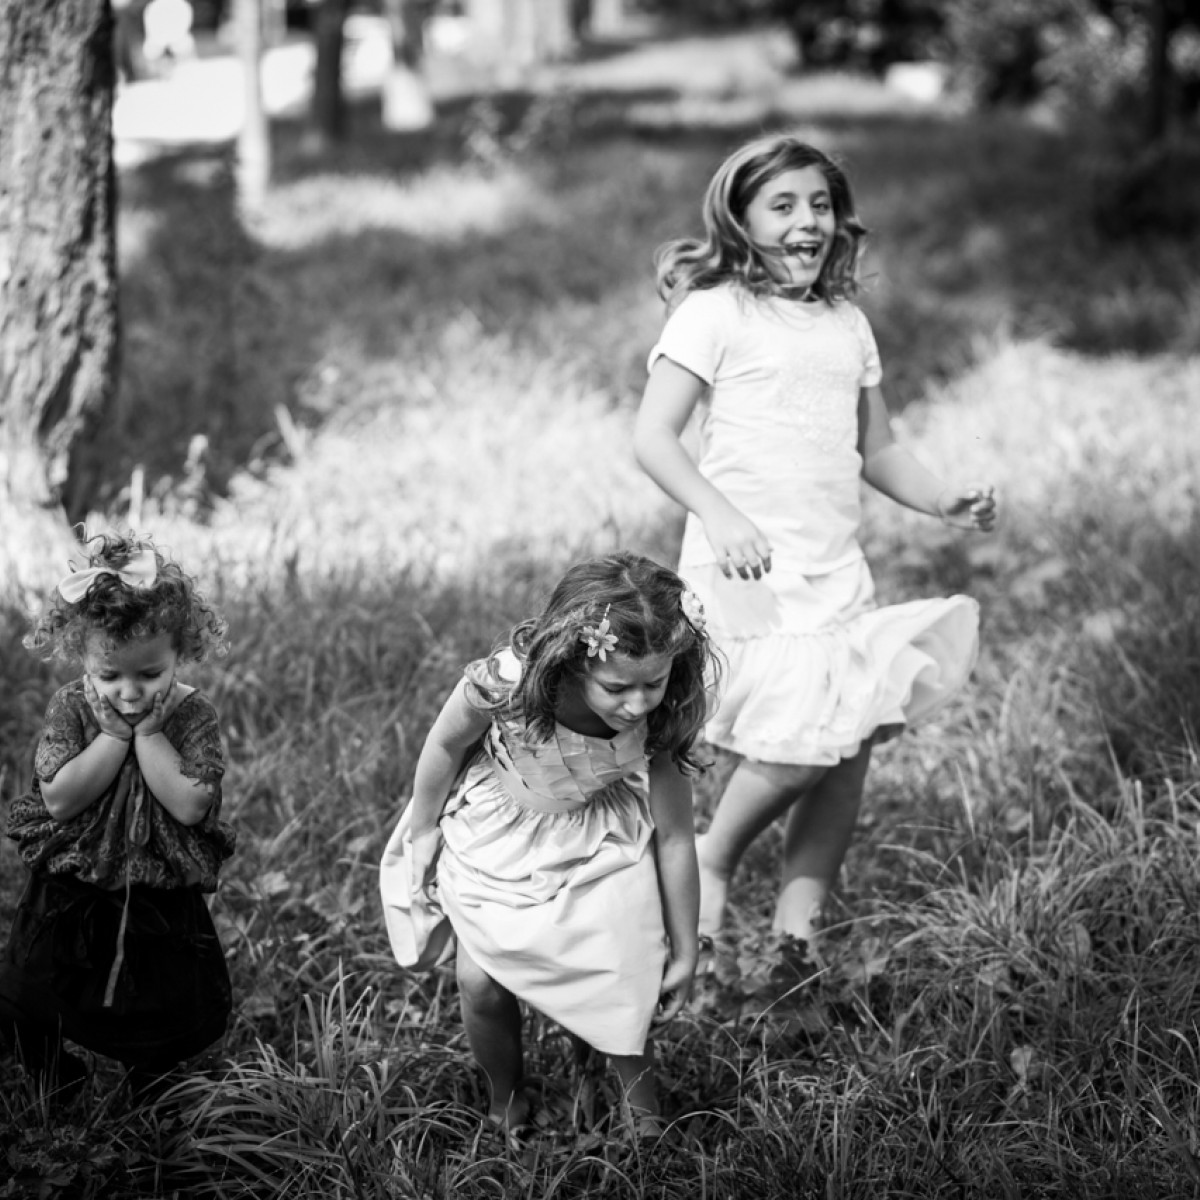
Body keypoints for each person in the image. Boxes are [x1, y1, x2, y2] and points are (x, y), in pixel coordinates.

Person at [632, 134, 997, 980]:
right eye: (784, 205)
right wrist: (717, 512)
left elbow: (880, 449)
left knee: (846, 748)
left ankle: (797, 939)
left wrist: (942, 499)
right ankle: (714, 856)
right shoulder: (715, 312)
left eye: (821, 205)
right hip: (751, 573)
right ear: (740, 219)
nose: (807, 221)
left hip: (834, 568)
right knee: (798, 746)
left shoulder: (846, 324)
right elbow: (653, 437)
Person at [380, 552, 717, 1137]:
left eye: (654, 683)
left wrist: (685, 948)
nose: (638, 703)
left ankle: (643, 1117)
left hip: (595, 838)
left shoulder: (661, 717)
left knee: (620, 965)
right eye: (617, 687)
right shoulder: (507, 682)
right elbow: (444, 745)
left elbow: (676, 837)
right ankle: (505, 1098)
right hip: (497, 832)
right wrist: (425, 828)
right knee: (478, 982)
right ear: (572, 658)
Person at [0, 531, 234, 1099]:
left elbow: (190, 804)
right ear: (81, 659)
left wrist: (149, 736)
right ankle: (56, 1079)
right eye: (109, 677)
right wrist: (110, 738)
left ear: (180, 653)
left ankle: (152, 1093)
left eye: (150, 675)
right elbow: (60, 799)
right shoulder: (71, 706)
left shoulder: (192, 714)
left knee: (156, 1004)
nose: (129, 694)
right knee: (24, 994)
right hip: (72, 882)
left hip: (155, 888)